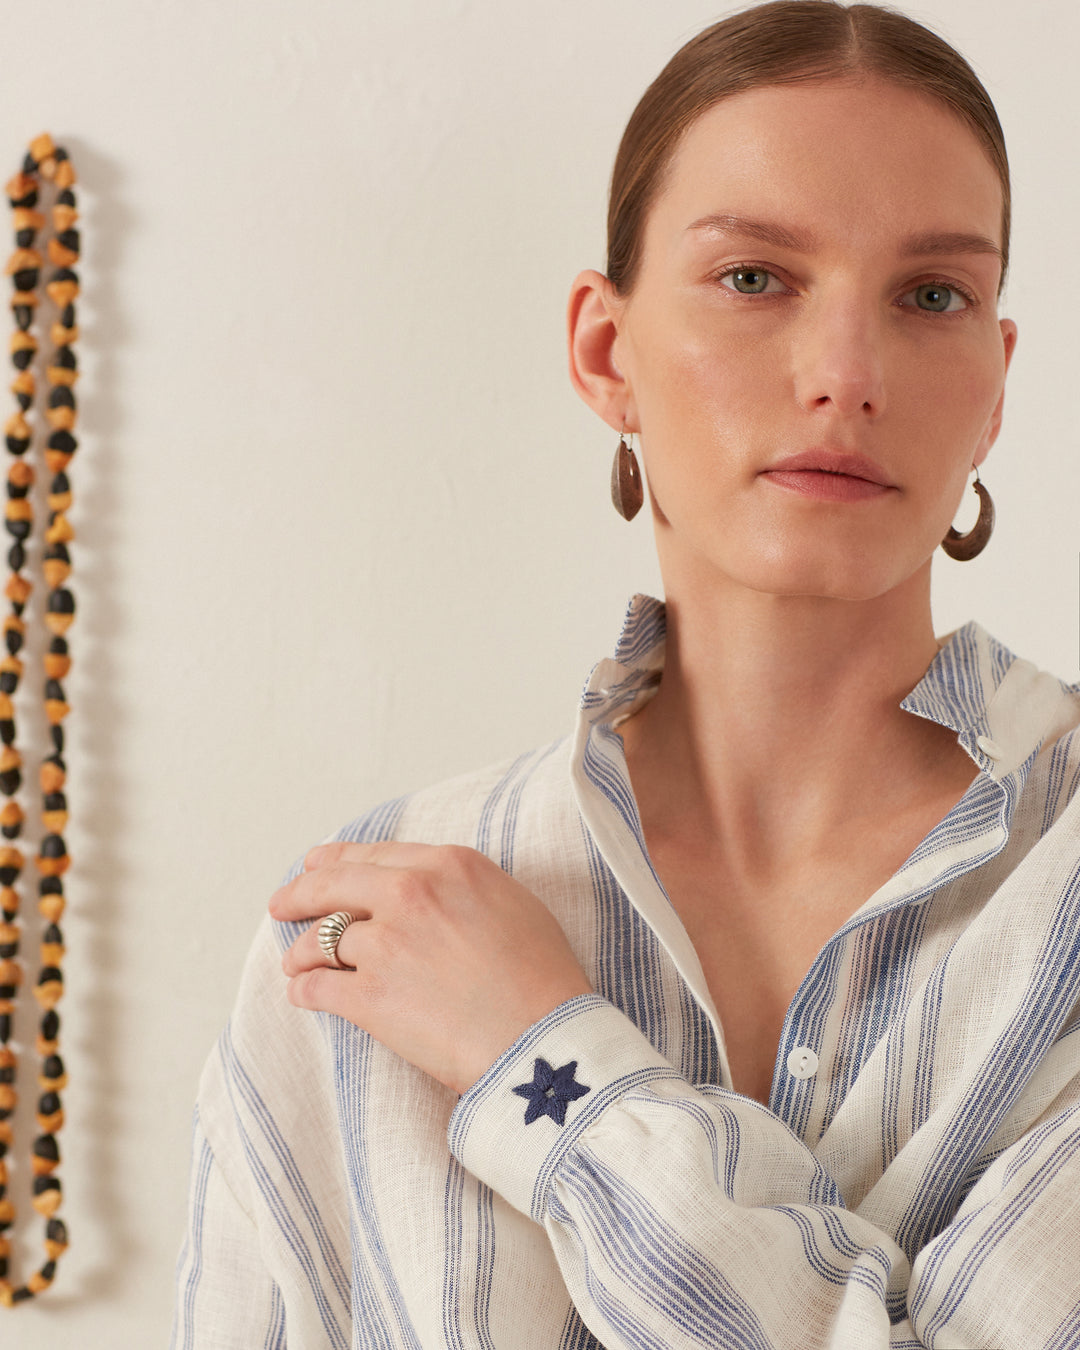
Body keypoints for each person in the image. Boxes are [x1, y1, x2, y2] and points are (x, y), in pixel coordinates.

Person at [171, 3, 1080, 1347]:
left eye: (932, 294)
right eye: (757, 277)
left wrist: (549, 1069)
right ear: (607, 351)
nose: (846, 372)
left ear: (995, 385)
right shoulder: (363, 928)